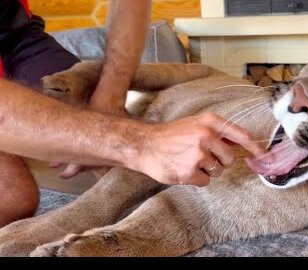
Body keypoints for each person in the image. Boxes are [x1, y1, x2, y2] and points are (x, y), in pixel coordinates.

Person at [0, 0, 265, 227]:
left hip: (14, 33)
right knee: (12, 196)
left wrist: (108, 100)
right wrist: (139, 143)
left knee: (80, 100)